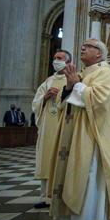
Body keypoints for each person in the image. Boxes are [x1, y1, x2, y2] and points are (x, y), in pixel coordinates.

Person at [50, 38, 110, 220]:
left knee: (88, 176)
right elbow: (63, 101)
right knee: (72, 174)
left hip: (92, 135)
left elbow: (100, 100)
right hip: (74, 135)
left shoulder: (104, 72)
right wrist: (69, 87)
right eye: (82, 45)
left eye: (88, 46)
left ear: (99, 53)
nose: (82, 47)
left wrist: (77, 86)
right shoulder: (82, 73)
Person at [31, 49, 71, 209]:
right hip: (48, 126)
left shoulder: (72, 79)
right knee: (46, 158)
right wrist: (45, 97)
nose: (56, 60)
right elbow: (35, 103)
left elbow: (76, 100)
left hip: (63, 125)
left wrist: (61, 95)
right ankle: (45, 196)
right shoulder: (47, 81)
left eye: (60, 58)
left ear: (68, 62)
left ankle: (61, 195)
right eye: (54, 58)